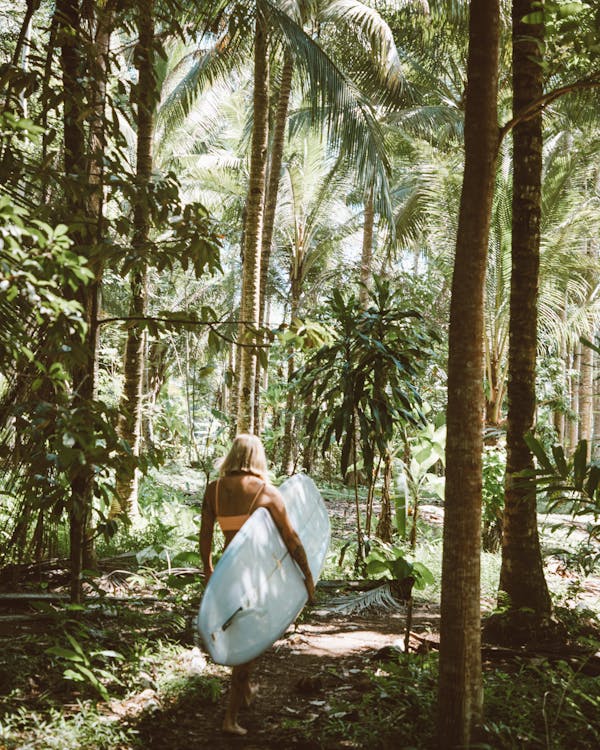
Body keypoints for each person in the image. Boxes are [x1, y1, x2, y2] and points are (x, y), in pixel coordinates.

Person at [199, 433, 315, 736]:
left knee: (241, 638)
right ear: (257, 457)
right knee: (247, 644)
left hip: (226, 576)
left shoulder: (213, 491)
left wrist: (209, 572)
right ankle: (230, 719)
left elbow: (205, 537)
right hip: (255, 578)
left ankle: (246, 691)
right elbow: (292, 541)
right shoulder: (267, 493)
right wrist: (308, 576)